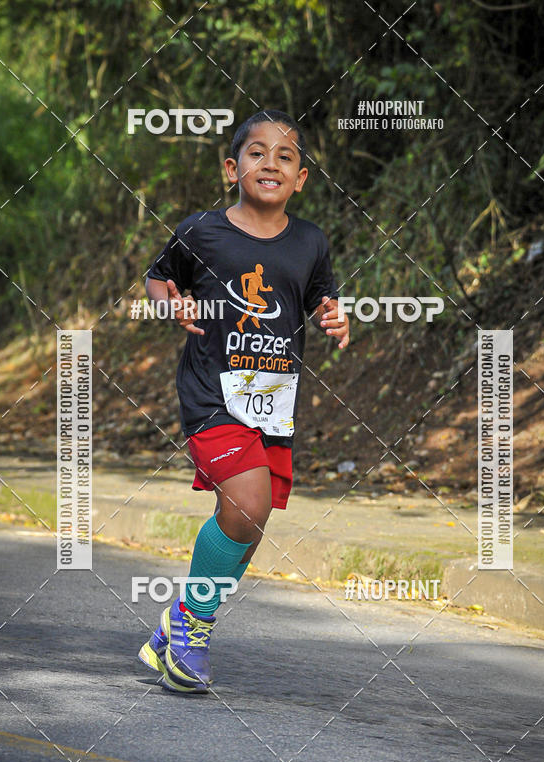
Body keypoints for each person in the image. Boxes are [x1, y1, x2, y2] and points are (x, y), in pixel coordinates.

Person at [138, 109, 350, 693]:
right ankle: (192, 635)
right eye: (257, 153)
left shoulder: (310, 240)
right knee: (248, 502)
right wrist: (170, 304)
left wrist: (333, 314)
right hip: (211, 396)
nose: (271, 164)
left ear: (301, 178)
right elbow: (157, 278)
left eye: (285, 156)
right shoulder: (202, 231)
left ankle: (177, 619)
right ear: (233, 168)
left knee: (248, 524)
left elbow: (317, 297)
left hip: (273, 401)